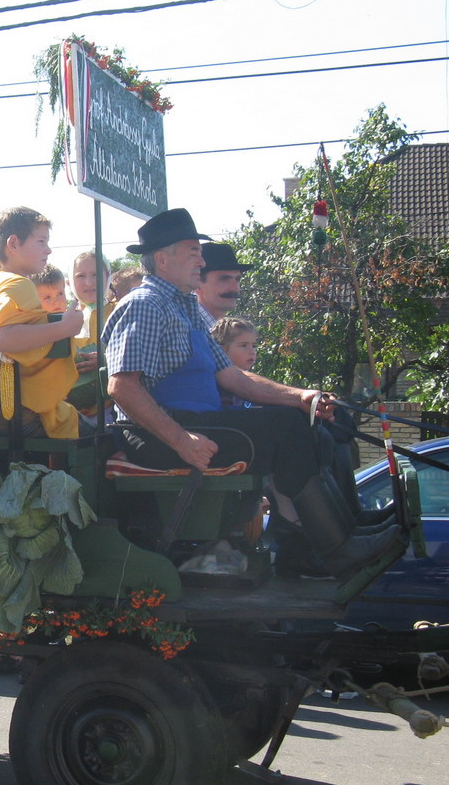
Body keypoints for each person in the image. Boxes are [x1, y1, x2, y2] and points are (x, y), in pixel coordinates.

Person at [101, 207, 399, 581]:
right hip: (161, 435)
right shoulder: (144, 306)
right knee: (290, 429)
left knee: (304, 419)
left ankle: (349, 530)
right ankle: (338, 551)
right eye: (193, 251)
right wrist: (182, 440)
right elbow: (122, 387)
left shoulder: (186, 307)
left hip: (198, 424)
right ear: (162, 258)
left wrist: (301, 396)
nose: (201, 259)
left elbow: (232, 376)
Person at [0, 207, 83, 440]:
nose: (48, 249)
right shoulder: (19, 285)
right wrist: (65, 328)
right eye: (41, 241)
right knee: (99, 437)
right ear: (14, 244)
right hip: (20, 416)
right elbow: (4, 338)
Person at [67, 251, 116, 415]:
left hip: (113, 409)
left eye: (95, 274)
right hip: (70, 412)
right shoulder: (64, 318)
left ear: (108, 276)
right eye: (80, 276)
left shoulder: (120, 312)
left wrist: (108, 359)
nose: (89, 282)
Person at [195, 242, 251, 327]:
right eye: (224, 279)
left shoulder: (226, 332)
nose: (235, 288)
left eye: (237, 279)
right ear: (197, 283)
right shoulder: (184, 328)